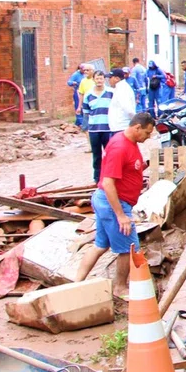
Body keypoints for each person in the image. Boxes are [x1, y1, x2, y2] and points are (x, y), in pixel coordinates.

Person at [74, 112, 155, 297]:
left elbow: (125, 169)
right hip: (113, 203)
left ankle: (76, 282)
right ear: (137, 128)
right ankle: (120, 287)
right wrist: (121, 215)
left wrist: (139, 169)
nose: (149, 137)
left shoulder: (129, 142)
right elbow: (108, 182)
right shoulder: (120, 147)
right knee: (128, 248)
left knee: (100, 245)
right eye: (147, 133)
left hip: (108, 202)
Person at [82, 71, 114, 183]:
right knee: (96, 155)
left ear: (104, 79)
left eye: (101, 78)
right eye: (97, 79)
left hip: (108, 129)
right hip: (94, 129)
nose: (99, 81)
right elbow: (86, 112)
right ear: (93, 80)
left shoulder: (111, 92)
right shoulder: (88, 95)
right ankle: (97, 177)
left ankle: (110, 176)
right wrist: (85, 127)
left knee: (109, 153)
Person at [107, 68, 137, 132]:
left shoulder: (123, 89)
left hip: (122, 127)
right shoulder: (119, 88)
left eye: (110, 78)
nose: (109, 80)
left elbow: (128, 109)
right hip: (119, 127)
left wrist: (135, 121)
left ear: (117, 78)